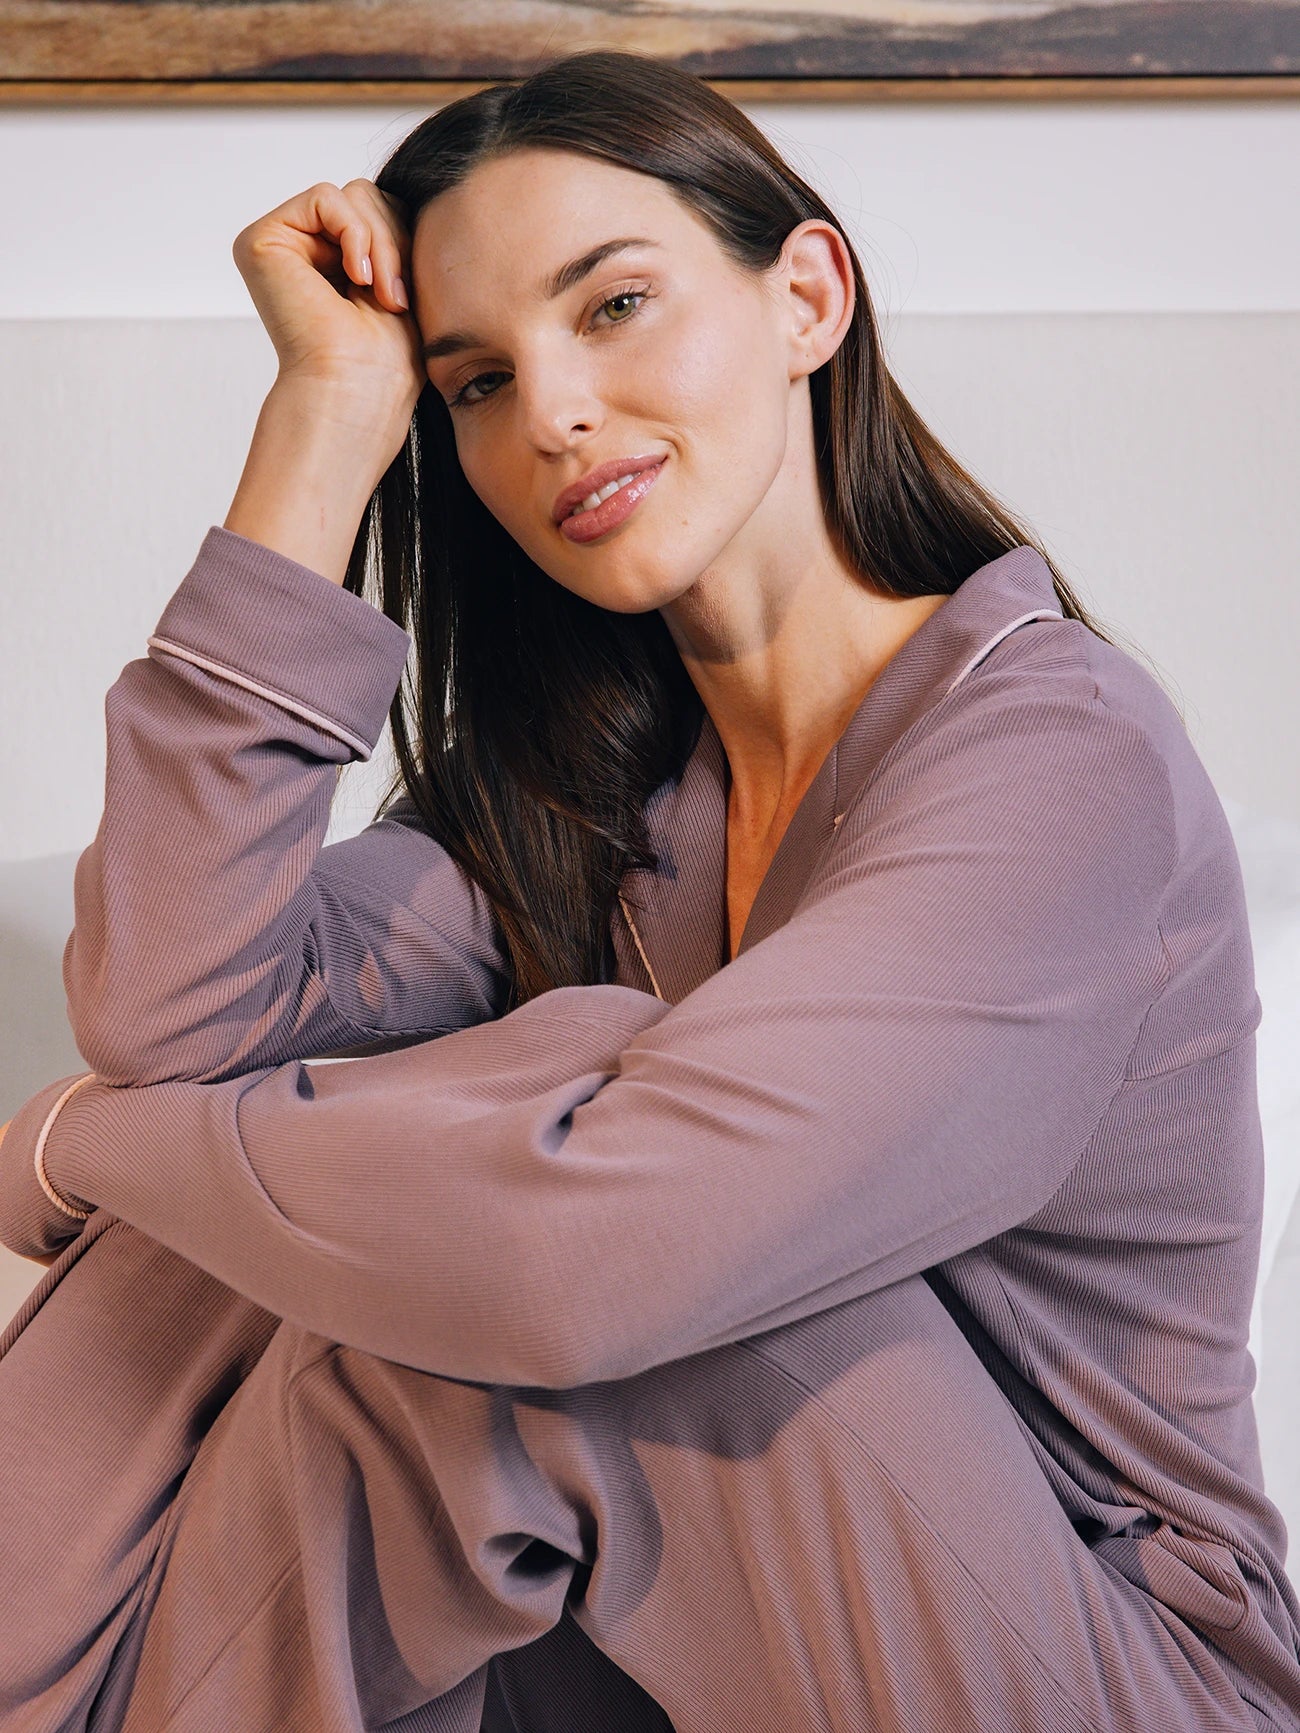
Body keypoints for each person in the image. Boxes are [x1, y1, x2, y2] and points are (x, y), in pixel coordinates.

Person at [0, 45, 1297, 1733]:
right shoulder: (592, 794)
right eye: (472, 380)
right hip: (710, 1657)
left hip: (1100, 1662)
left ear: (807, 295)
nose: (549, 411)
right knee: (408, 1277)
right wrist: (322, 423)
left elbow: (588, 1269)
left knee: (605, 1265)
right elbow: (177, 1011)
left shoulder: (1062, 761)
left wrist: (75, 1144)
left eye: (611, 306)